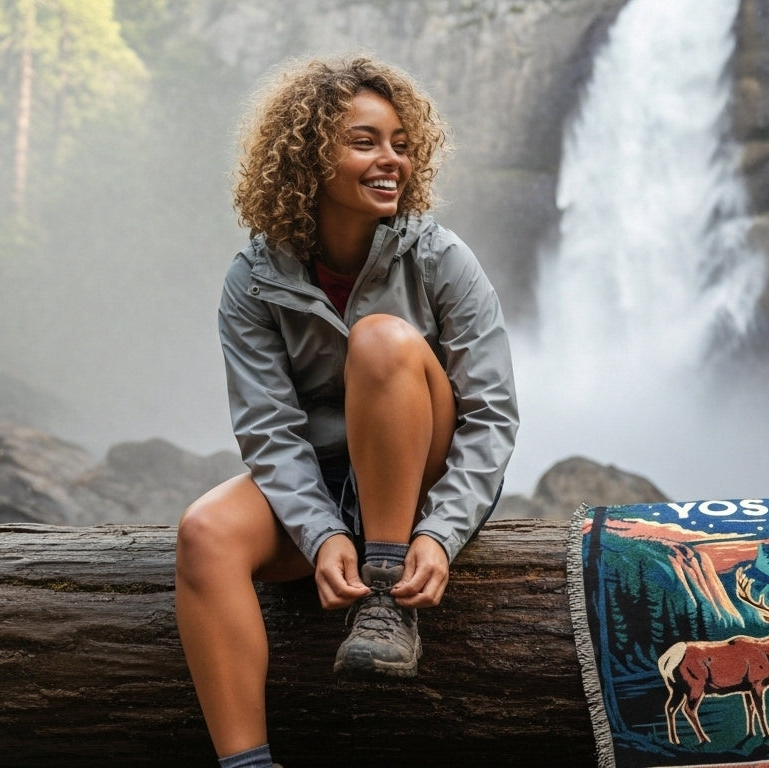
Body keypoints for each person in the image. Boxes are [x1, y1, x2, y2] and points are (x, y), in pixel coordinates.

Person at [175, 56, 518, 768]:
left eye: (399, 142)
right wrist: (322, 532)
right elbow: (269, 431)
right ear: (307, 157)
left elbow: (491, 416)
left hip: (415, 472)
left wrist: (442, 534)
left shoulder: (441, 258)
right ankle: (246, 763)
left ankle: (387, 598)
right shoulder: (254, 281)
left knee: (382, 340)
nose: (391, 158)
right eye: (365, 142)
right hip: (324, 484)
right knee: (205, 531)